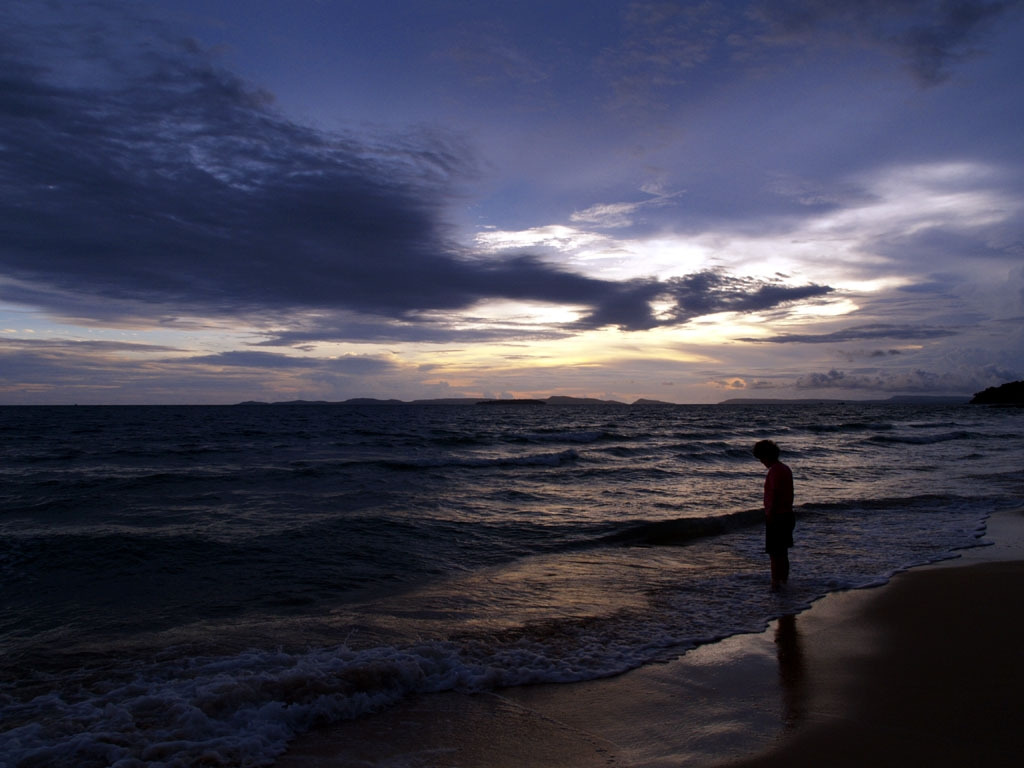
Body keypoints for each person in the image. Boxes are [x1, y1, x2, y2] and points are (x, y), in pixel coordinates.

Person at [753, 439, 795, 591]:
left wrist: (770, 513)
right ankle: (783, 581)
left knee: (774, 553)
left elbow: (775, 494)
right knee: (782, 552)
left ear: (766, 456)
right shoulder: (785, 469)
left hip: (777, 516)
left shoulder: (775, 471)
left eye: (761, 458)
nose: (761, 462)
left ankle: (776, 583)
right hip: (788, 514)